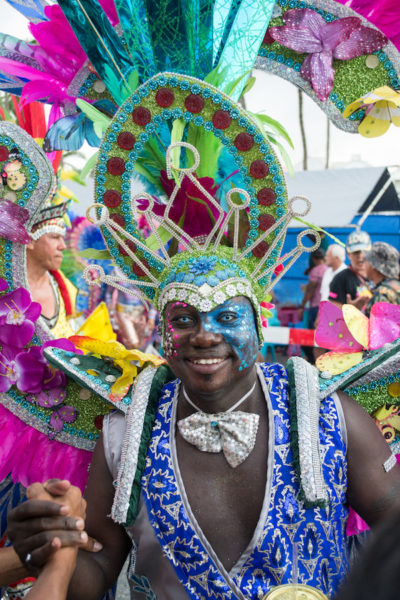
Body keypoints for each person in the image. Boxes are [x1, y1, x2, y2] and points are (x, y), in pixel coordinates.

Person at [26, 207, 78, 338]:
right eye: (55, 237)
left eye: (62, 238)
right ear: (29, 241)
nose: (63, 246)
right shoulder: (5, 289)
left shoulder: (67, 289)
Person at [329, 230, 372, 309]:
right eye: (356, 252)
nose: (360, 256)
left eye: (364, 252)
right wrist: (352, 310)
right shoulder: (340, 278)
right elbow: (332, 307)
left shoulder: (377, 274)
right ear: (348, 255)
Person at [363, 242, 400, 317]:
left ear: (373, 265)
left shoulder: (381, 295)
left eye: (366, 260)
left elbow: (374, 327)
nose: (364, 265)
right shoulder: (396, 286)